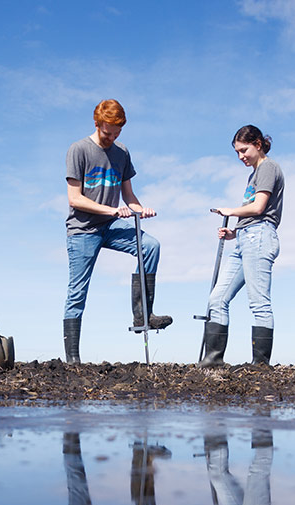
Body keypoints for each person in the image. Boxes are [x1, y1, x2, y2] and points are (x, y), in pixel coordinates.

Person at [63, 99, 172, 364]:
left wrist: (140, 209)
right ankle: (73, 358)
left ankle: (142, 315)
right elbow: (74, 199)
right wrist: (110, 210)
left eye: (117, 133)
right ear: (97, 123)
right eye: (107, 132)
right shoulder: (79, 150)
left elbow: (129, 197)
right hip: (83, 229)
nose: (111, 138)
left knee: (151, 246)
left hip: (110, 226)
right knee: (77, 291)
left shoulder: (122, 152)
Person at [199, 125, 284, 367]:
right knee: (217, 298)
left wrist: (230, 210)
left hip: (259, 237)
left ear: (258, 143)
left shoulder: (268, 167)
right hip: (246, 238)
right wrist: (234, 232)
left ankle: (260, 365)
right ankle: (213, 361)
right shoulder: (254, 173)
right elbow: (253, 214)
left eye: (244, 150)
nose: (241, 156)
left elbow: (258, 208)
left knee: (259, 302)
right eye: (237, 152)